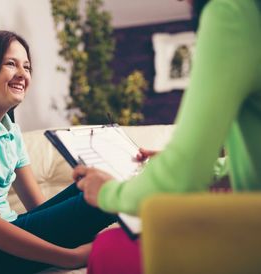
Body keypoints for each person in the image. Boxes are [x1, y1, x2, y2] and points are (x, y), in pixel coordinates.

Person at [73, 0, 261, 273]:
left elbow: (182, 176)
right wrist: (206, 163)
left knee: (108, 248)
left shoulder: (233, 13)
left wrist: (108, 193)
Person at [0, 30, 116, 274]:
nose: (22, 74)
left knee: (94, 185)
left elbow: (39, 208)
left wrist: (69, 225)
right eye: (11, 64)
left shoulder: (10, 130)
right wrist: (69, 257)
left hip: (3, 233)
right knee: (105, 196)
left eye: (27, 67)